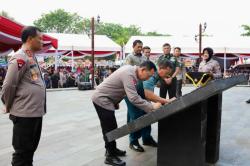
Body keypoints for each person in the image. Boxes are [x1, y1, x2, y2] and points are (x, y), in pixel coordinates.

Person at [92, 61, 162, 166]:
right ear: (142, 70)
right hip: (102, 99)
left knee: (111, 127)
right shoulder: (129, 74)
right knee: (109, 128)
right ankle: (110, 156)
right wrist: (151, 106)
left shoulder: (132, 73)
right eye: (148, 75)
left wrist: (116, 102)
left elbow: (120, 88)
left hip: (109, 100)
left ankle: (112, 149)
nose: (148, 79)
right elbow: (133, 98)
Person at [1, 26, 46, 166]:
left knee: (29, 151)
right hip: (24, 114)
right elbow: (8, 85)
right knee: (22, 154)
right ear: (30, 39)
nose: (42, 42)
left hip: (33, 113)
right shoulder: (20, 57)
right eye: (40, 39)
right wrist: (8, 105)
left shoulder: (30, 56)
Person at [127, 60, 176, 153]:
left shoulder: (156, 76)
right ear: (167, 68)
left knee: (146, 113)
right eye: (168, 73)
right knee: (136, 117)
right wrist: (166, 101)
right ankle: (133, 141)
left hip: (140, 95)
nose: (168, 76)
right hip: (132, 95)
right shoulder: (151, 75)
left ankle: (146, 138)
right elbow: (148, 94)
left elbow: (148, 95)